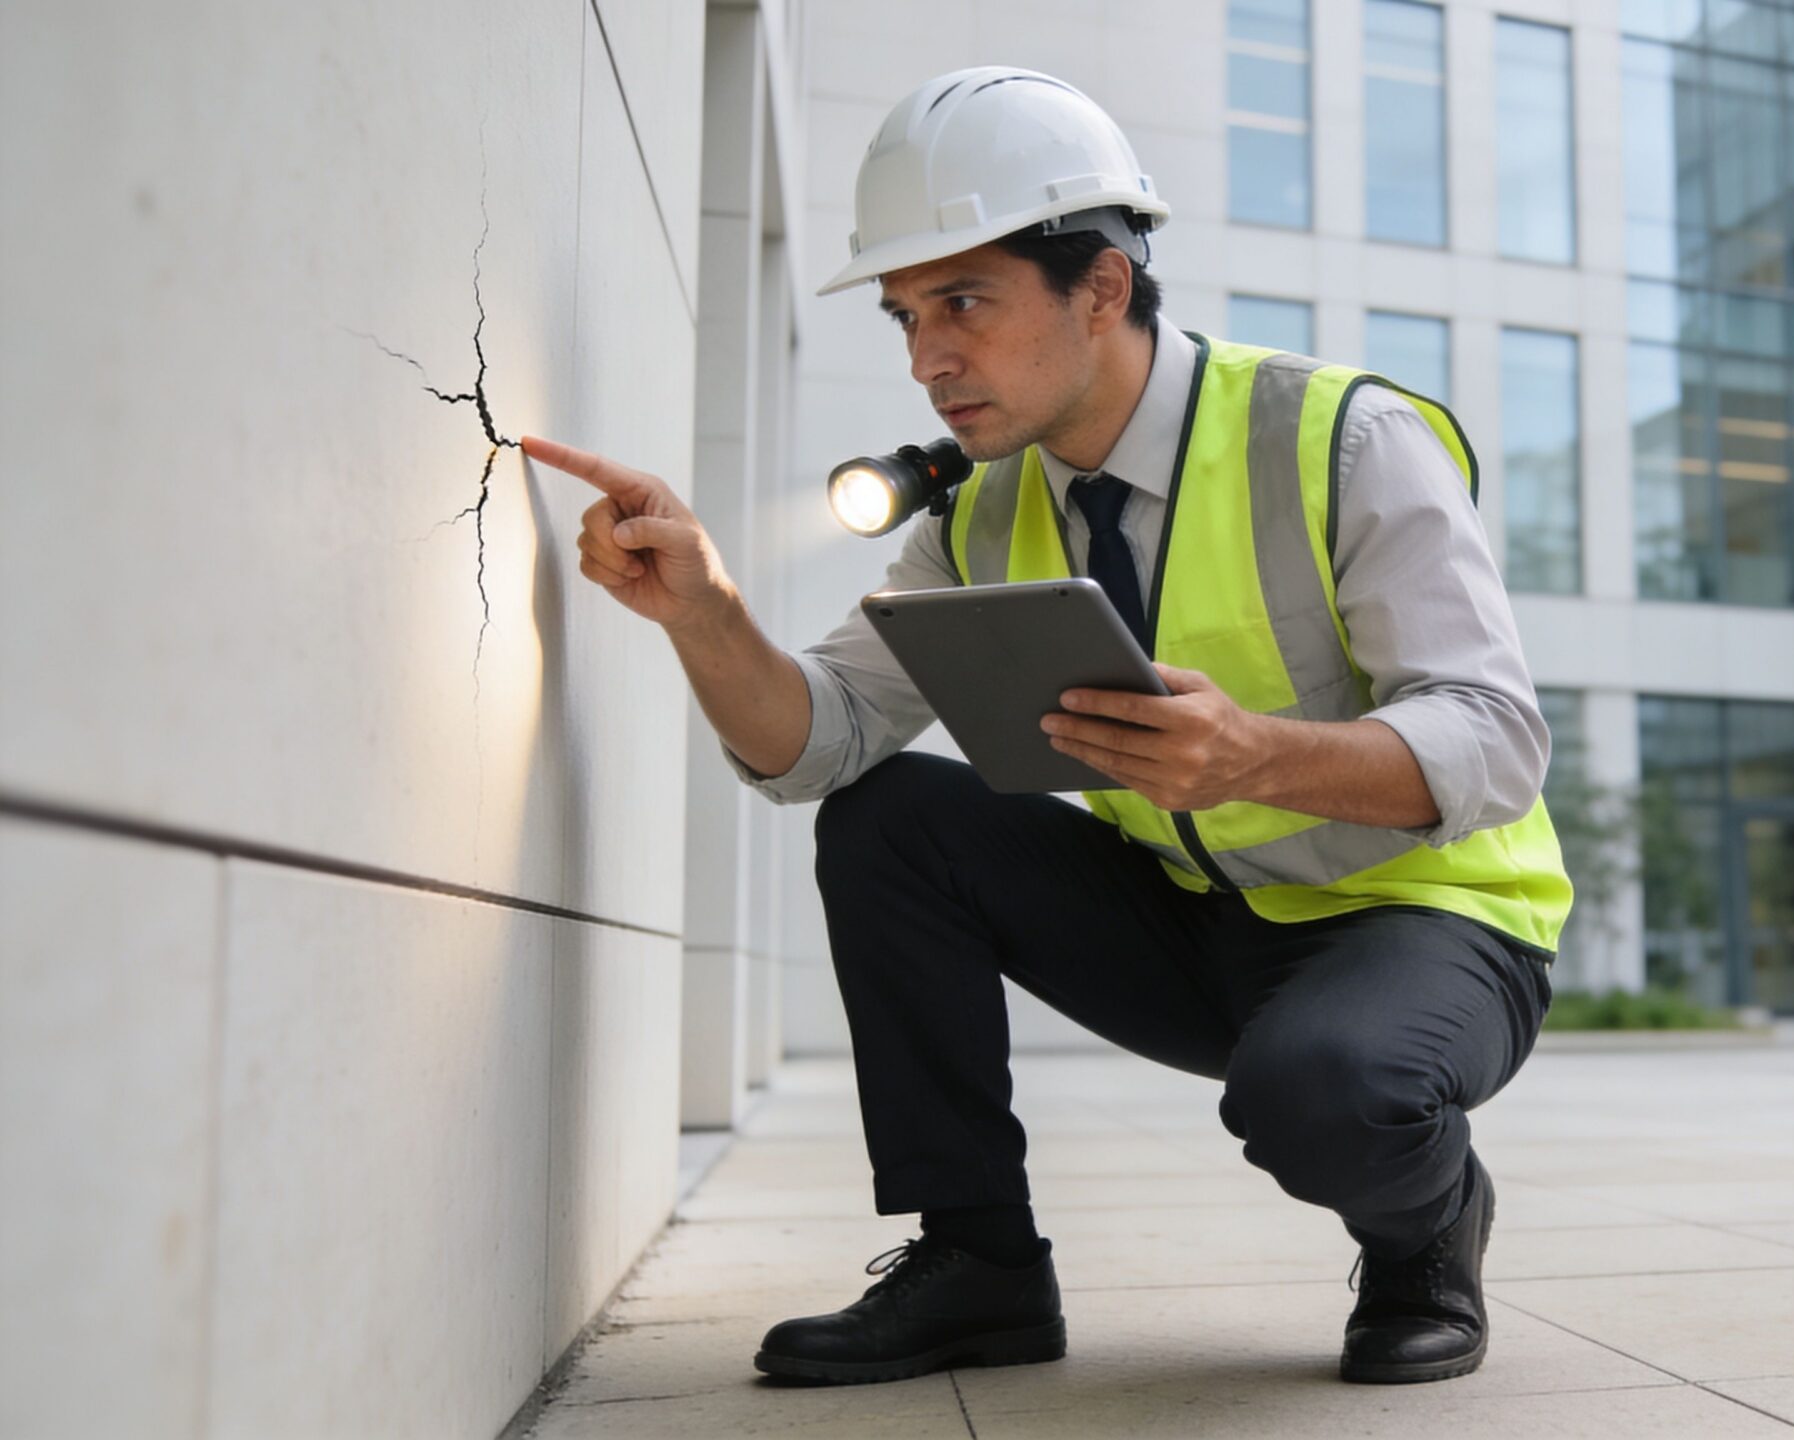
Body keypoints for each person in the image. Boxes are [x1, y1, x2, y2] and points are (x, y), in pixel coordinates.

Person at [519, 65, 1571, 1388]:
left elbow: (1495, 739)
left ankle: (1428, 1236)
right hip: (1199, 923)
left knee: (1324, 1092)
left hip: (1427, 919)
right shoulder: (975, 512)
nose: (928, 356)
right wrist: (706, 613)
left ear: (1105, 288)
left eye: (964, 302)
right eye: (908, 314)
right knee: (892, 816)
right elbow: (820, 741)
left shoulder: (1341, 440)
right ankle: (981, 1265)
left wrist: (1257, 753)